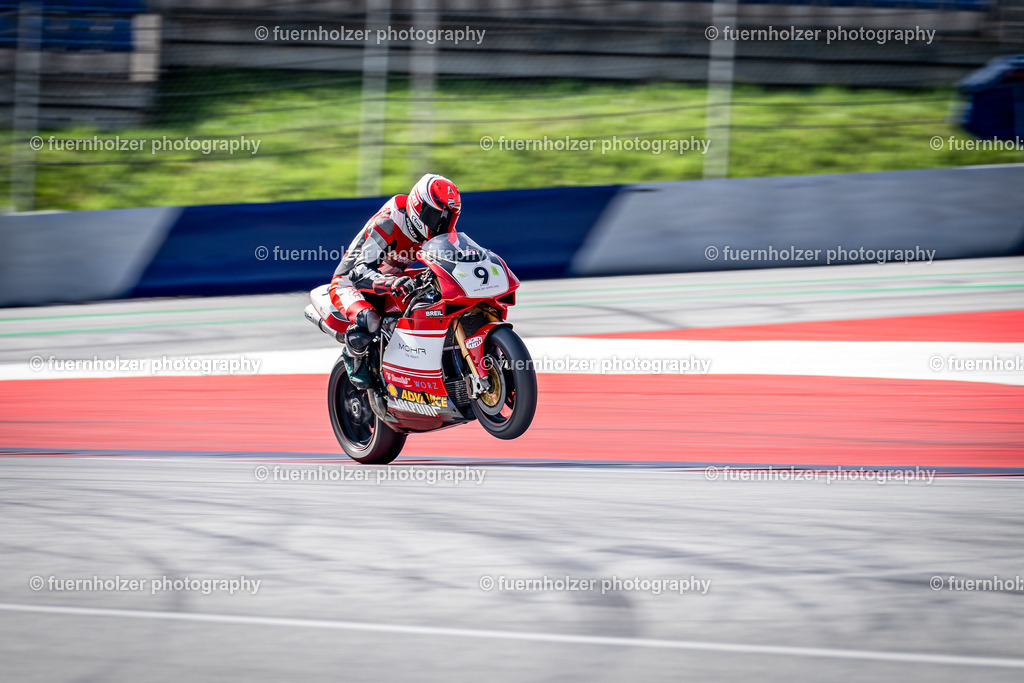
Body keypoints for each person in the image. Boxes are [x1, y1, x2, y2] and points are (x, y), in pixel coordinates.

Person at [329, 173, 462, 388]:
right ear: (418, 207)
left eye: (447, 218)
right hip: (351, 282)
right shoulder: (388, 223)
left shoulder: (440, 233)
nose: (441, 224)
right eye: (436, 216)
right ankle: (354, 356)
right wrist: (390, 283)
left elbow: (455, 260)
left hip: (392, 277)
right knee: (370, 320)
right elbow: (358, 271)